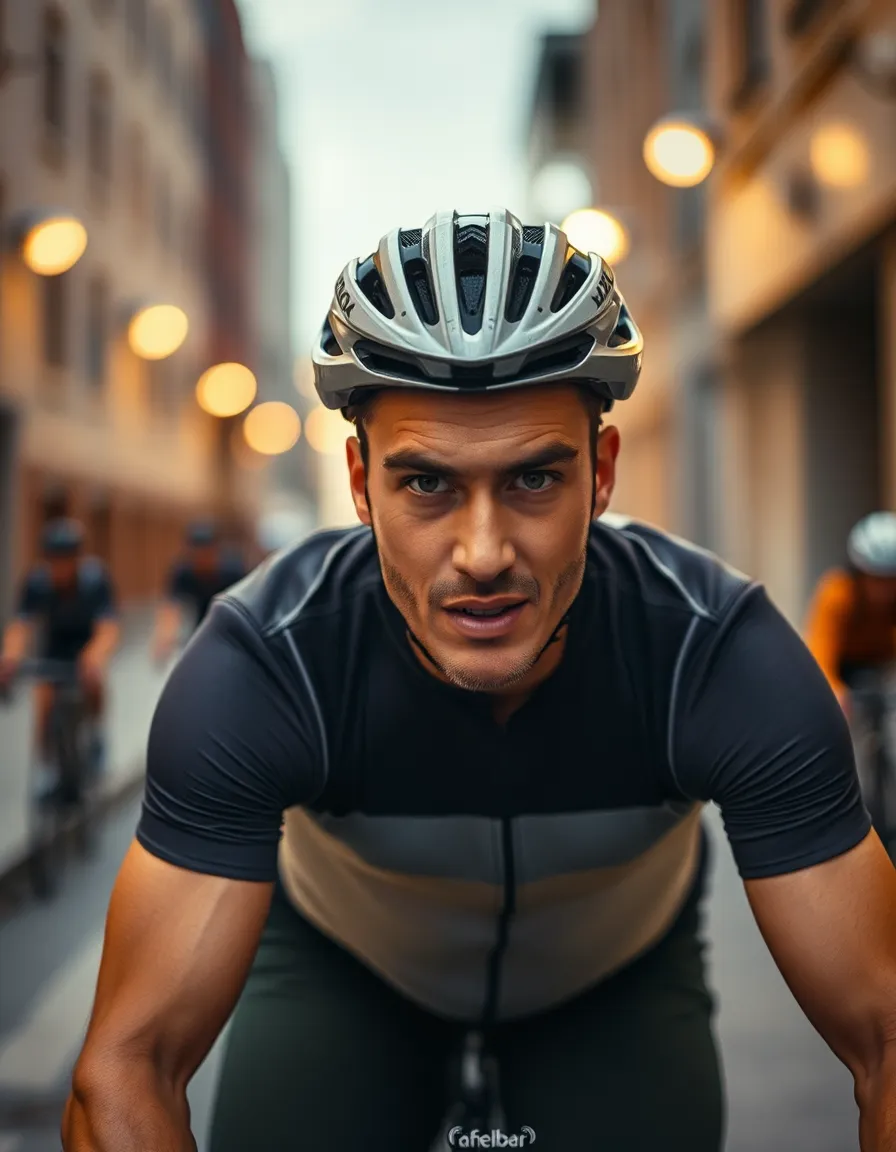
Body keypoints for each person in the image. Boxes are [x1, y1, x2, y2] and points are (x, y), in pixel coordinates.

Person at [63, 210, 896, 1152]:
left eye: (536, 479)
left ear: (603, 472)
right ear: (359, 481)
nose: (485, 553)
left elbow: (887, 1036)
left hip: (615, 977)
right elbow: (124, 1072)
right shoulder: (268, 661)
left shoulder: (712, 650)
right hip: (346, 971)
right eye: (426, 485)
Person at [0, 517, 119, 786]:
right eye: (55, 560)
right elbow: (21, 625)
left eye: (67, 559)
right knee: (44, 699)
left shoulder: (95, 580)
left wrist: (95, 655)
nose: (61, 567)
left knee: (94, 684)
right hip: (53, 648)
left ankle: (96, 735)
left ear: (77, 558)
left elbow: (108, 627)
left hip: (86, 646)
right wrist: (10, 655)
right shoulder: (37, 582)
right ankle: (47, 766)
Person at [804, 511, 896, 716]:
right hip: (843, 664)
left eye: (892, 580)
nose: (886, 591)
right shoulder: (837, 592)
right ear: (859, 574)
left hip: (884, 663)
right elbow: (820, 651)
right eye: (877, 580)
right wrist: (833, 691)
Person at [151, 520, 247, 663]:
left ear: (216, 550)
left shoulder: (232, 569)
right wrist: (164, 638)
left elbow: (246, 606)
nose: (202, 560)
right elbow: (171, 607)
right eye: (196, 554)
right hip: (201, 621)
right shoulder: (184, 571)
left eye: (207, 553)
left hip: (230, 618)